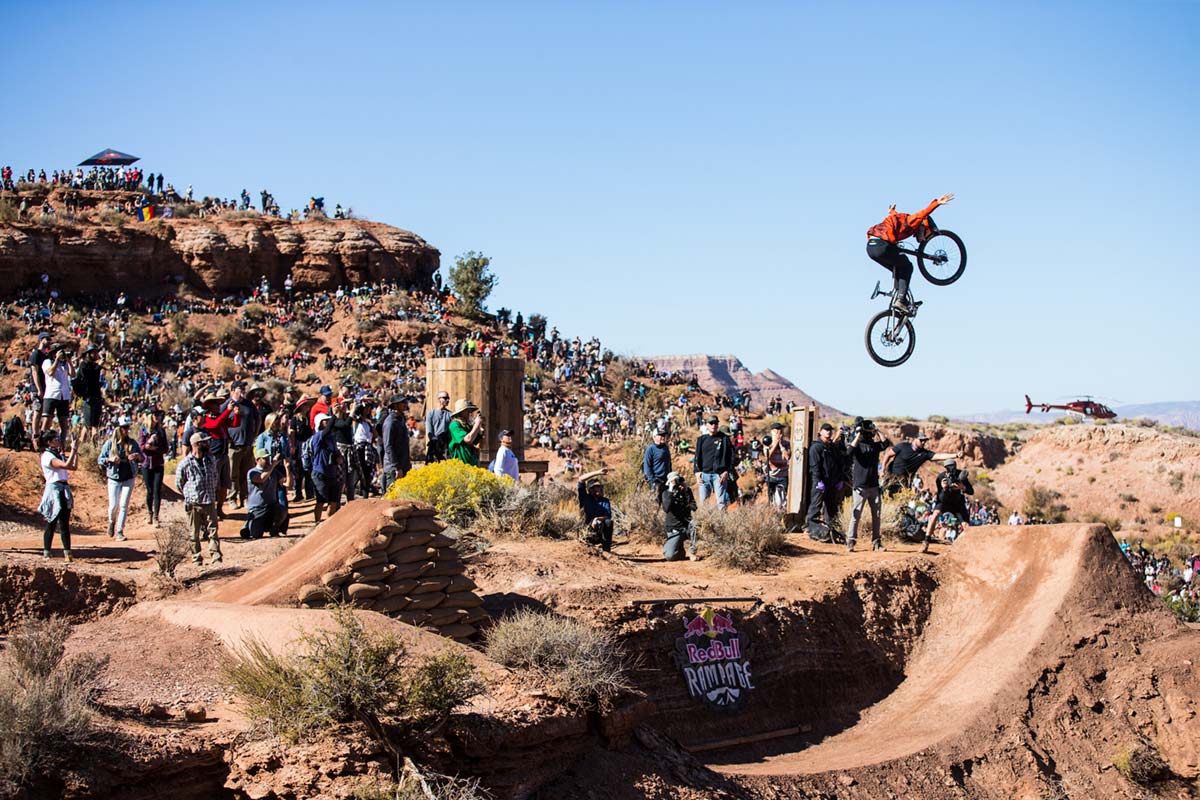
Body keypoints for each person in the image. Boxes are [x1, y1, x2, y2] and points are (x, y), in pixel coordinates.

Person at [866, 192, 954, 314]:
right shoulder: (913, 221)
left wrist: (891, 211)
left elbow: (895, 219)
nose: (922, 239)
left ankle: (899, 296)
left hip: (871, 248)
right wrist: (937, 203)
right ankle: (901, 299)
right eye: (926, 235)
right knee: (907, 267)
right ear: (924, 226)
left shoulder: (903, 221)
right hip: (882, 246)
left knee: (898, 268)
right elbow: (923, 213)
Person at [176, 432, 222, 565]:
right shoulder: (185, 463)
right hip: (193, 503)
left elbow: (215, 476)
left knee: (213, 530)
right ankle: (196, 558)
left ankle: (216, 556)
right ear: (196, 444)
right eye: (204, 442)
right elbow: (179, 483)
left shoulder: (210, 460)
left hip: (209, 501)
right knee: (193, 533)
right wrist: (189, 494)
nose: (207, 444)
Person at [98, 416, 144, 542]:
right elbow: (100, 459)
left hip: (128, 477)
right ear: (118, 428)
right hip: (114, 477)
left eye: (127, 427)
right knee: (113, 506)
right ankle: (111, 521)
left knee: (124, 505)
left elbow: (142, 458)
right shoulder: (109, 444)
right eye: (124, 427)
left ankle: (120, 531)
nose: (126, 430)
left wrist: (137, 456)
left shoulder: (132, 443)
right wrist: (110, 460)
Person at [846, 418, 889, 552]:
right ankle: (851, 541)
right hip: (860, 486)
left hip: (874, 485)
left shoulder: (874, 446)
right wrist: (858, 433)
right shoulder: (857, 445)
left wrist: (877, 431)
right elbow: (849, 452)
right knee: (856, 514)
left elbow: (885, 443)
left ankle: (876, 542)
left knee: (876, 515)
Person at [38, 429, 78, 562]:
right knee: (52, 522)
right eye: (55, 439)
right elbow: (66, 465)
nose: (58, 440)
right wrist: (72, 450)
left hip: (63, 488)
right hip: (54, 489)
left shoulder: (57, 455)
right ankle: (47, 552)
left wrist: (75, 451)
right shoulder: (47, 456)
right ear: (49, 442)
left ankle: (67, 553)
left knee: (64, 523)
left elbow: (73, 467)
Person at [880, 432, 958, 490]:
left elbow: (939, 456)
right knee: (885, 496)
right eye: (921, 440)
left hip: (905, 482)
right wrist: (882, 470)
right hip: (891, 477)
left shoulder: (924, 454)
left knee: (900, 503)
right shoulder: (903, 446)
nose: (923, 442)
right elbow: (888, 455)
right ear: (915, 439)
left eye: (925, 441)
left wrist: (955, 455)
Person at [925, 461, 974, 552]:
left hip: (958, 503)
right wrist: (944, 488)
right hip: (944, 502)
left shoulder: (961, 476)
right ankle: (926, 542)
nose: (952, 469)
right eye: (949, 467)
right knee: (934, 515)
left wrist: (962, 487)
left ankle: (968, 548)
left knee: (965, 525)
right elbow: (940, 497)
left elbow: (971, 491)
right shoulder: (940, 477)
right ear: (945, 468)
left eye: (953, 466)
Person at [241, 447, 288, 539]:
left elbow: (287, 484)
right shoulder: (252, 472)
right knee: (255, 535)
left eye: (268, 458)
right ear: (257, 460)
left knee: (282, 510)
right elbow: (261, 479)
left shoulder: (273, 471)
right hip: (257, 509)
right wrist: (273, 464)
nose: (267, 460)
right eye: (264, 458)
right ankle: (248, 525)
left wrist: (288, 469)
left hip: (271, 506)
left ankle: (274, 530)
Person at [225, 383, 259, 508]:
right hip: (233, 445)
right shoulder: (227, 405)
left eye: (244, 390)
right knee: (233, 474)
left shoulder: (249, 405)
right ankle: (232, 498)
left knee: (246, 473)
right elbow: (222, 420)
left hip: (247, 444)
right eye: (240, 390)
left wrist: (254, 434)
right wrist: (227, 438)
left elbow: (257, 418)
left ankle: (244, 498)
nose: (242, 392)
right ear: (233, 391)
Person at [806, 423, 842, 539]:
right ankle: (813, 531)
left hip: (831, 483)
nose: (828, 432)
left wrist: (838, 480)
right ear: (820, 432)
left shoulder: (831, 447)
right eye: (826, 430)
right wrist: (818, 481)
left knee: (831, 508)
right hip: (820, 482)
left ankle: (830, 532)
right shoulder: (816, 447)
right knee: (815, 508)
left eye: (830, 430)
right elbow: (815, 466)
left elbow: (838, 464)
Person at [254, 411, 291, 525]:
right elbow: (259, 454)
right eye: (276, 421)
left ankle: (282, 524)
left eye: (278, 420)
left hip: (280, 468)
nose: (278, 423)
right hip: (269, 468)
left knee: (282, 497)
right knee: (270, 497)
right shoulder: (263, 437)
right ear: (270, 422)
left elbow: (287, 452)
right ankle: (270, 524)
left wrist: (289, 468)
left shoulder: (283, 436)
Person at [693, 415, 734, 510]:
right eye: (711, 423)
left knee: (721, 503)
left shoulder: (724, 439)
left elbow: (731, 457)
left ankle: (722, 523)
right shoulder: (701, 440)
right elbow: (696, 457)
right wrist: (696, 472)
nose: (713, 425)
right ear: (707, 425)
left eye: (715, 423)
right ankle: (704, 523)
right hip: (704, 475)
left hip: (719, 476)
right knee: (703, 503)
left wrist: (727, 471)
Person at [138, 407, 169, 526]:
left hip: (158, 463)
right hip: (146, 464)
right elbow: (140, 446)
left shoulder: (161, 431)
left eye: (159, 414)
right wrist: (148, 444)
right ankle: (149, 513)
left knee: (157, 490)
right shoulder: (144, 430)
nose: (157, 416)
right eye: (155, 414)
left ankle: (156, 516)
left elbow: (166, 448)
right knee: (149, 490)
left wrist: (155, 449)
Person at [309, 412, 342, 523]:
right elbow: (327, 430)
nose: (327, 422)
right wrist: (334, 415)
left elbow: (335, 452)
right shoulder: (318, 436)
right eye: (325, 421)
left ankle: (329, 523)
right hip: (320, 473)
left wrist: (338, 458)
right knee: (321, 500)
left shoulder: (331, 438)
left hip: (331, 472)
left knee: (333, 501)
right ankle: (317, 522)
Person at [662, 471, 698, 562]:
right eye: (674, 481)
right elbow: (666, 508)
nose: (677, 483)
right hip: (674, 530)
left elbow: (694, 507)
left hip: (686, 527)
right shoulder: (666, 493)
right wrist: (671, 489)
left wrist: (686, 492)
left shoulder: (686, 491)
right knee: (669, 556)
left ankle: (692, 552)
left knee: (695, 524)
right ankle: (679, 549)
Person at [41, 344, 73, 442]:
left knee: (63, 422)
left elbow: (73, 374)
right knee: (47, 420)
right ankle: (42, 442)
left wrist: (69, 361)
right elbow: (50, 372)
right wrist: (56, 361)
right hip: (51, 394)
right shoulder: (47, 362)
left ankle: (62, 445)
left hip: (64, 395)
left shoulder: (64, 364)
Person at [577, 468, 614, 552]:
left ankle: (606, 549)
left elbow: (607, 516)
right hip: (587, 531)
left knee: (608, 522)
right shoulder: (584, 498)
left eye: (601, 487)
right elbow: (581, 479)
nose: (601, 489)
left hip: (599, 532)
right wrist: (597, 472)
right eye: (598, 487)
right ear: (591, 489)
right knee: (579, 524)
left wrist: (596, 519)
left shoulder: (605, 501)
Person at [75, 344, 105, 445]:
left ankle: (89, 446)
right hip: (89, 399)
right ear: (88, 354)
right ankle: (84, 447)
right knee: (89, 425)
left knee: (93, 425)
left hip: (96, 397)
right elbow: (89, 378)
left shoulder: (93, 365)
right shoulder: (84, 365)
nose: (96, 354)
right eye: (94, 352)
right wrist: (99, 366)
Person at [381, 395, 412, 491]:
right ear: (395, 405)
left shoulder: (400, 420)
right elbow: (388, 446)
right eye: (402, 403)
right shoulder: (390, 422)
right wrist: (396, 468)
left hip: (403, 465)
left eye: (405, 402)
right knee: (391, 498)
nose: (405, 405)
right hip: (393, 468)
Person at [447, 399, 483, 466]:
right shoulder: (454, 425)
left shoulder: (467, 425)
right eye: (467, 410)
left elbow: (476, 442)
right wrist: (477, 424)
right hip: (460, 464)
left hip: (471, 462)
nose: (470, 413)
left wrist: (479, 429)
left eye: (470, 410)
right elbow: (468, 439)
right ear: (461, 412)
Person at [763, 422, 791, 508]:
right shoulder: (767, 442)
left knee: (784, 499)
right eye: (777, 430)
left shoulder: (786, 443)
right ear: (772, 432)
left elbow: (787, 457)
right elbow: (768, 456)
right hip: (772, 476)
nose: (780, 432)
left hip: (783, 475)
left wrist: (781, 445)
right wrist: (775, 444)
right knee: (771, 499)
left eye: (781, 430)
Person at [29, 332, 51, 436]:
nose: (48, 340)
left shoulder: (45, 355)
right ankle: (35, 435)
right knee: (37, 411)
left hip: (45, 387)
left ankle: (41, 435)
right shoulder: (36, 354)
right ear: (41, 339)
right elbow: (34, 372)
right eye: (46, 338)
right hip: (37, 387)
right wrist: (39, 389)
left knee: (43, 412)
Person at [642, 427, 672, 502]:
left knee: (666, 502)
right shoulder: (650, 449)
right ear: (654, 437)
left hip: (666, 479)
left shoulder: (666, 447)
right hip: (656, 480)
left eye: (664, 435)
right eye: (660, 435)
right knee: (656, 502)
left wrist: (671, 475)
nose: (663, 437)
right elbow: (647, 466)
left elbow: (669, 463)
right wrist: (652, 480)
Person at [424, 391, 452, 462]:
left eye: (448, 398)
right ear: (439, 399)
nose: (448, 400)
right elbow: (429, 431)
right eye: (445, 398)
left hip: (446, 446)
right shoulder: (431, 414)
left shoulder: (450, 415)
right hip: (434, 445)